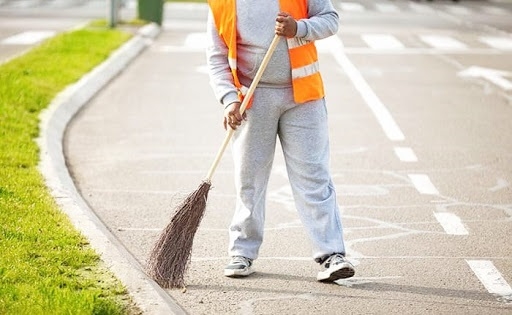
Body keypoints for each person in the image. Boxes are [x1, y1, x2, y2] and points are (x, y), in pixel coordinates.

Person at [205, 0, 355, 283]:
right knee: (249, 180)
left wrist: (299, 28)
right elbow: (217, 56)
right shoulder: (222, 2)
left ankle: (331, 254)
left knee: (314, 177)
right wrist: (229, 100)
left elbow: (330, 20)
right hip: (252, 101)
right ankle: (242, 253)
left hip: (304, 99)